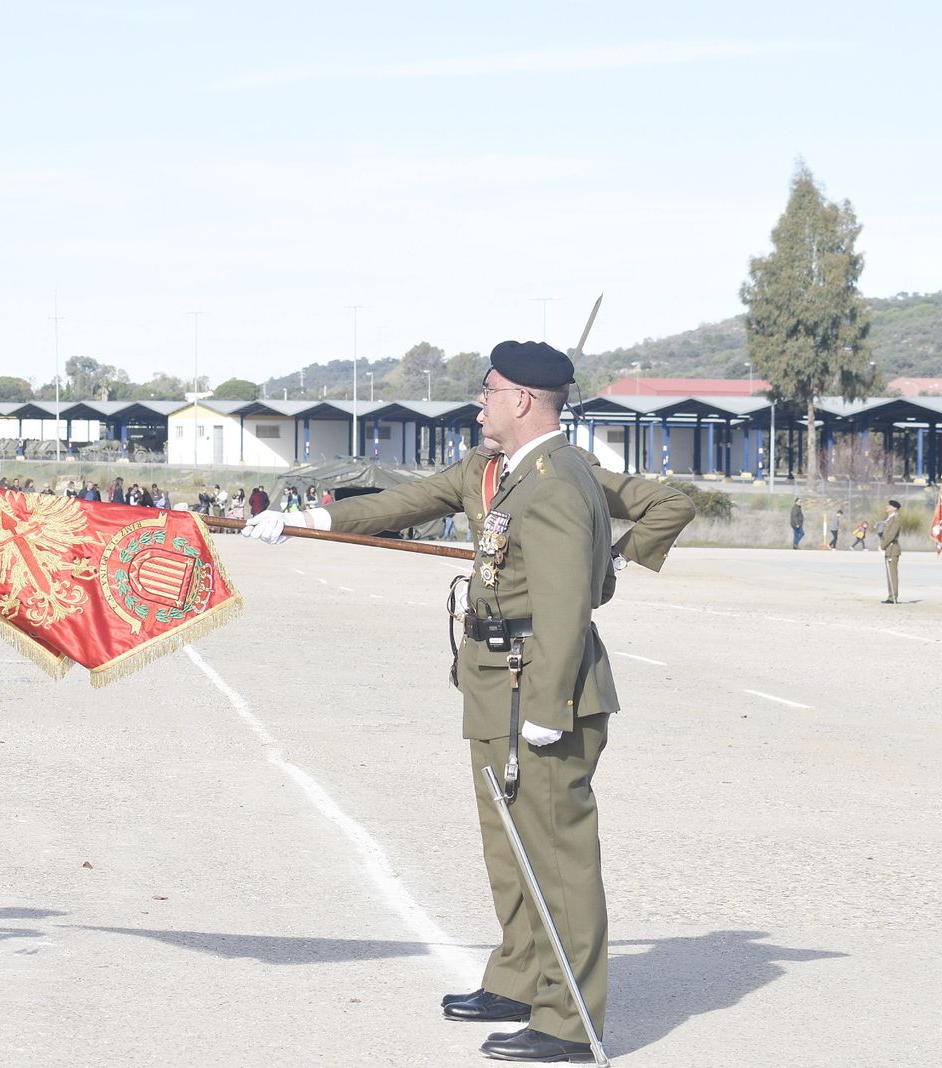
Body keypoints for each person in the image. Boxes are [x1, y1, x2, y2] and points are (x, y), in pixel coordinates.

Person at [242, 340, 695, 1063]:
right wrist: (308, 521)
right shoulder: (498, 473)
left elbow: (566, 604)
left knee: (556, 851)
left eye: (487, 390)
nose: (478, 401)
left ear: (521, 399)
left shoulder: (557, 481)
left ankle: (570, 1018)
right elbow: (404, 503)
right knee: (509, 847)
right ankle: (521, 977)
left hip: (541, 685)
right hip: (493, 676)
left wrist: (551, 700)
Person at [880, 499, 902, 603]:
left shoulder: (896, 519)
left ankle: (893, 597)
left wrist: (882, 546)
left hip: (892, 548)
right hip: (888, 548)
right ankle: (890, 596)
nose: (887, 507)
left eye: (889, 506)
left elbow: (891, 535)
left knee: (892, 574)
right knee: (889, 574)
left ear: (894, 508)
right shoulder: (889, 519)